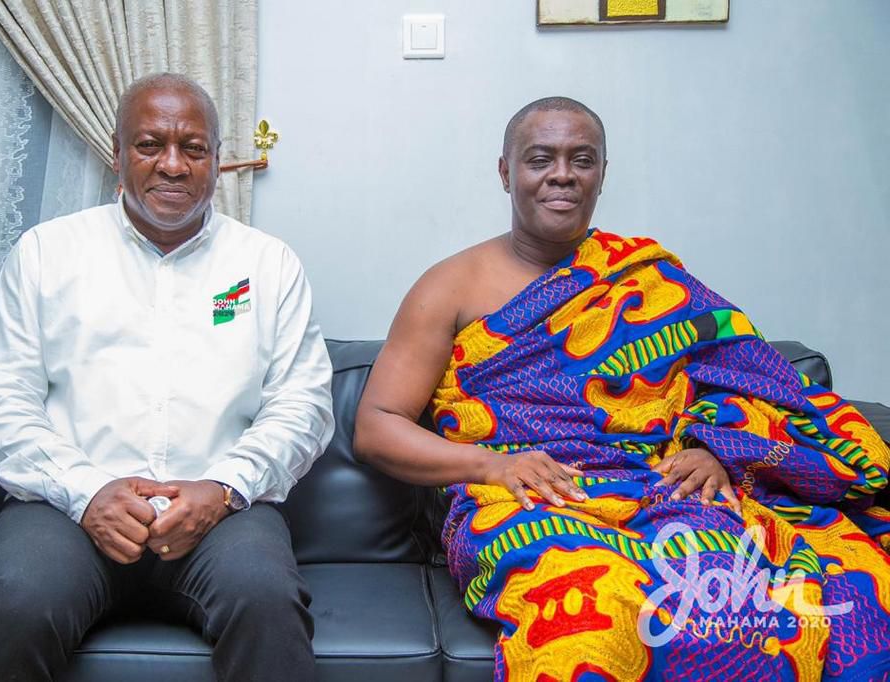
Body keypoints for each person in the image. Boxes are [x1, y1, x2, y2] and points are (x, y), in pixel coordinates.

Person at [354, 97, 890, 680]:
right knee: (590, 615)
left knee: (754, 595)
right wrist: (489, 467)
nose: (562, 174)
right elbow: (377, 424)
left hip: (658, 489)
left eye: (581, 159)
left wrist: (716, 449)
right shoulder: (448, 287)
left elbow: (756, 382)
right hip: (523, 499)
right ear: (506, 172)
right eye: (540, 159)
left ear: (601, 175)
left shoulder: (652, 280)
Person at [0, 73, 334, 682]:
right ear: (118, 155)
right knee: (17, 602)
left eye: (193, 148)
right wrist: (87, 493)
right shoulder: (47, 253)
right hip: (64, 512)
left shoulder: (267, 263)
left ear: (215, 161)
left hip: (222, 515)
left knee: (266, 600)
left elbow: (302, 406)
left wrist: (223, 488)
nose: (172, 165)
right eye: (150, 144)